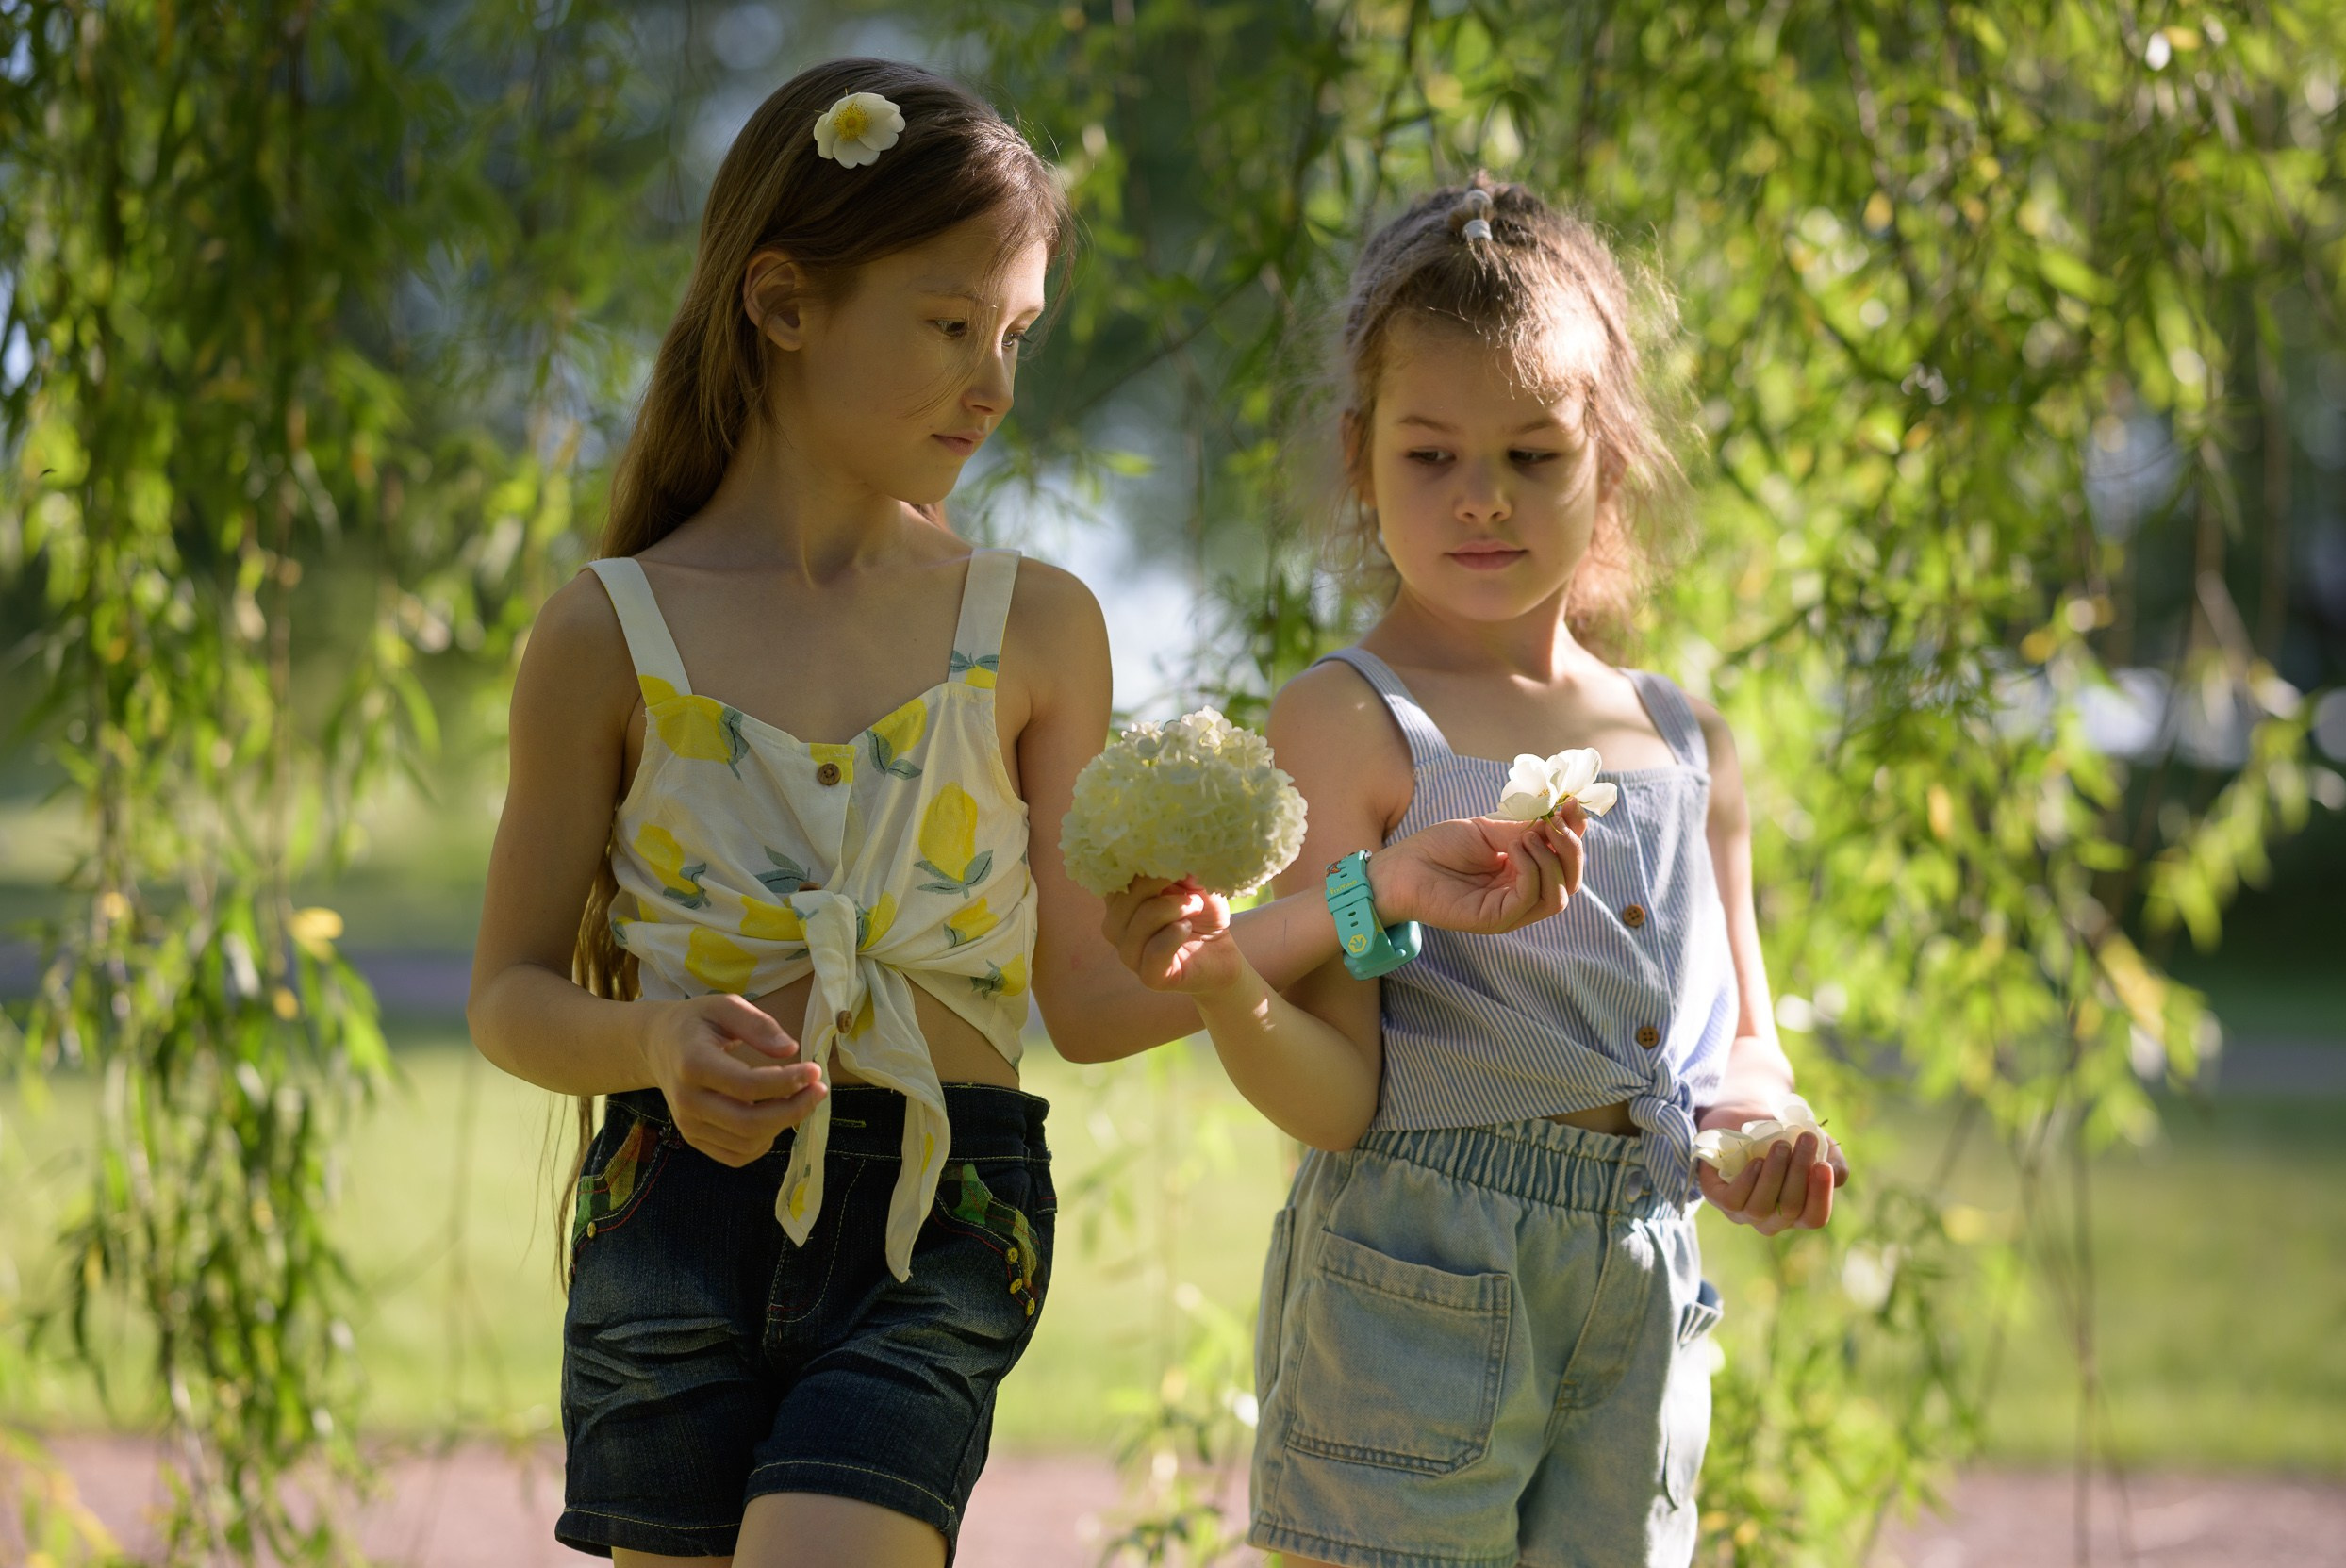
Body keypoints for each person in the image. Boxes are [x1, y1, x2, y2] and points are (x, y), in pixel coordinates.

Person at [468, 64, 1594, 1568]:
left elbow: (1104, 993)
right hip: (672, 1219)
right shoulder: (604, 636)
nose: (995, 387)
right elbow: (510, 998)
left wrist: (1368, 893)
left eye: (1016, 335)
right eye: (951, 328)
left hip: (937, 1223)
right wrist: (654, 1043)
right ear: (784, 303)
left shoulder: (1032, 630)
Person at [1100, 177, 1851, 1568]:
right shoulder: (1355, 720)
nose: (1482, 500)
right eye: (1431, 456)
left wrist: (1763, 1134)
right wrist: (1226, 992)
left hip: (1638, 1299)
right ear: (1358, 455)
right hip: (1418, 1289)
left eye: (1534, 455)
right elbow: (1337, 1102)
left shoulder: (1690, 744)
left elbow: (1740, 1042)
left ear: (1608, 461)